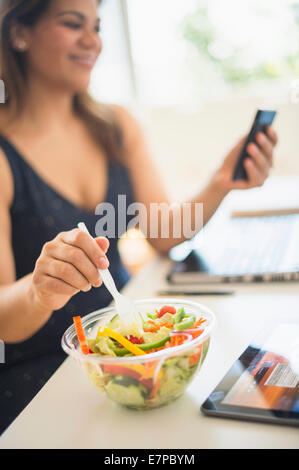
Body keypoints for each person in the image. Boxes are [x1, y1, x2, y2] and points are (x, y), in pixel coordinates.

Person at [0, 0, 277, 435]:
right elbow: (3, 319)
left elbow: (164, 235)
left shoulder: (114, 125)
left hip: (131, 352)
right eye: (73, 24)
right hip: (43, 375)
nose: (92, 40)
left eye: (96, 26)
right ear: (19, 33)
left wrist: (221, 182)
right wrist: (41, 289)